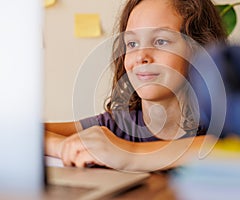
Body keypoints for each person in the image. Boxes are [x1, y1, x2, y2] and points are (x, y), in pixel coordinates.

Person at [45, 0, 227, 172]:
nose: (141, 56)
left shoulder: (223, 123)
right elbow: (27, 133)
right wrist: (64, 147)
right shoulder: (116, 126)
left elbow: (230, 149)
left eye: (161, 41)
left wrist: (129, 153)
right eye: (132, 43)